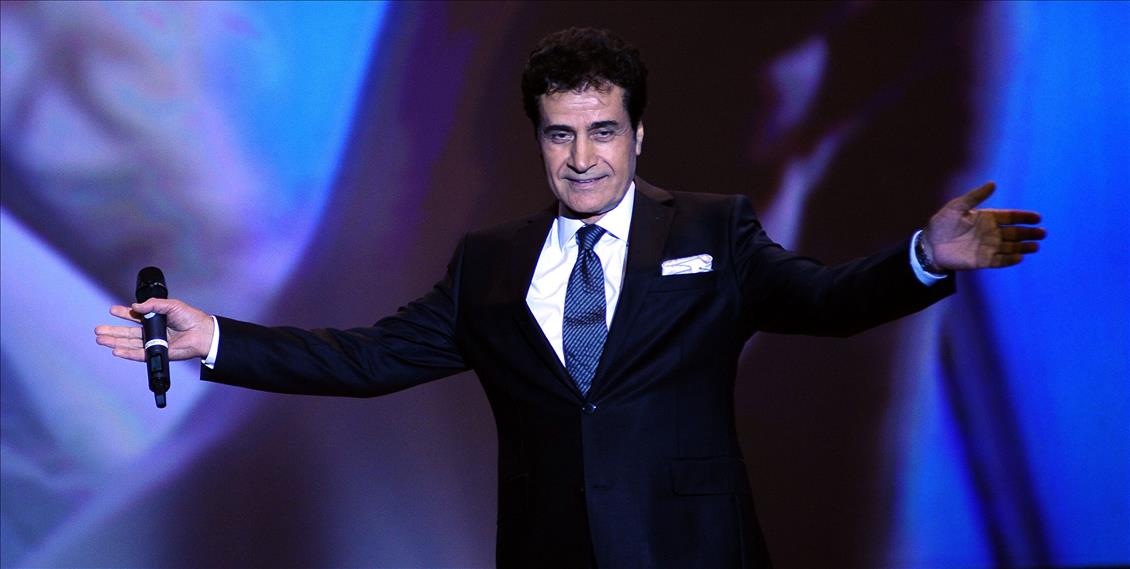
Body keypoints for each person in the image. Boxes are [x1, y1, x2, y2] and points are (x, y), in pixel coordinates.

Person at [95, 28, 1045, 568]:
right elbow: (368, 358)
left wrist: (925, 256)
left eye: (602, 133)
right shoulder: (490, 262)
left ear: (637, 138)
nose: (582, 157)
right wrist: (217, 339)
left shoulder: (717, 232)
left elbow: (828, 302)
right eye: (561, 135)